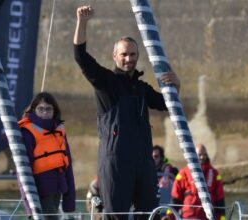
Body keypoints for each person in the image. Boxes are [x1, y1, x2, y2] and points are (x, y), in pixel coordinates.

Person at [73, 5, 181, 220]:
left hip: (143, 162)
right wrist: (82, 22)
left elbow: (166, 104)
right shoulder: (106, 81)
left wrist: (176, 85)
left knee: (150, 215)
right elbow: (80, 56)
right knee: (116, 216)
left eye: (132, 54)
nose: (128, 59)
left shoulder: (141, 88)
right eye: (124, 54)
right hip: (115, 163)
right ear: (115, 56)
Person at [17, 92, 76, 219]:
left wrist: (69, 202)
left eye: (48, 109)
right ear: (34, 110)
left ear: (54, 111)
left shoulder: (59, 131)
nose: (44, 113)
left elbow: (68, 166)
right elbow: (22, 170)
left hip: (59, 189)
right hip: (39, 191)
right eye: (40, 109)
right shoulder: (27, 132)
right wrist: (29, 204)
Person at [169, 144, 226, 220]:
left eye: (204, 155)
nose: (202, 157)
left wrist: (221, 218)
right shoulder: (183, 173)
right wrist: (169, 217)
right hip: (187, 217)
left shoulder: (214, 174)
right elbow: (175, 199)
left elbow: (220, 200)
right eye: (199, 155)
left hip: (207, 217)